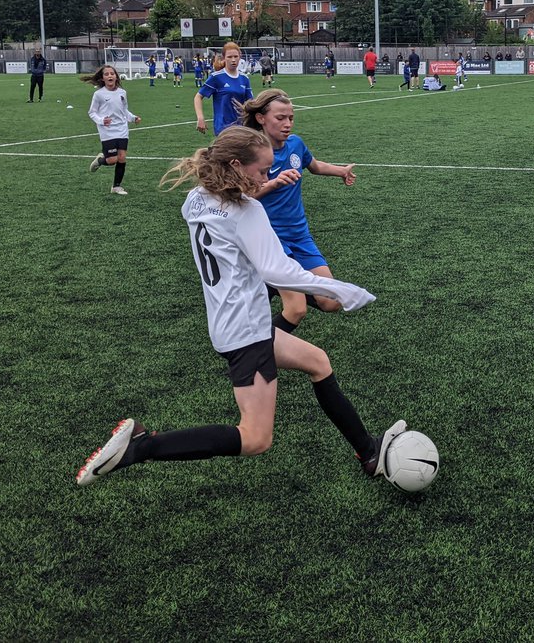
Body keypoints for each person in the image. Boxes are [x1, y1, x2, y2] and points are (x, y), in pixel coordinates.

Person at [76, 125, 406, 487]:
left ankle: (368, 452)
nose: (267, 178)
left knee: (318, 362)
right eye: (262, 170)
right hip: (247, 330)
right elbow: (276, 271)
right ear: (236, 165)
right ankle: (142, 445)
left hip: (229, 321)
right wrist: (343, 290)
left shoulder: (196, 198)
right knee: (255, 437)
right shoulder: (246, 210)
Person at [241, 89, 358, 333]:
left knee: (332, 301)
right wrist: (273, 184)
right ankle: (254, 351)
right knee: (296, 309)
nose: (287, 124)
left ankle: (271, 284)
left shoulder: (295, 143)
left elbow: (313, 166)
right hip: (270, 240)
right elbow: (240, 198)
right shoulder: (251, 154)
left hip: (299, 236)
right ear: (261, 118)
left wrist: (341, 171)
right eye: (280, 118)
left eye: (291, 118)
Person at [84, 65, 141, 195]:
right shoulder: (98, 94)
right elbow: (92, 112)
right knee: (111, 160)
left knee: (122, 157)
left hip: (122, 129)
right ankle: (100, 160)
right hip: (107, 130)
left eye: (112, 73)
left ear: (116, 76)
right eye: (106, 74)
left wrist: (133, 118)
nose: (110, 76)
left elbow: (124, 110)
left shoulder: (122, 92)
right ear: (102, 78)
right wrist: (101, 120)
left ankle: (116, 187)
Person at [195, 41, 254, 135]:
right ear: (224, 58)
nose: (233, 60)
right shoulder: (216, 77)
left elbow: (251, 103)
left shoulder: (244, 78)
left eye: (236, 56)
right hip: (223, 128)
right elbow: (198, 97)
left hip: (242, 128)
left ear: (240, 57)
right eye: (229, 57)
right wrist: (200, 118)